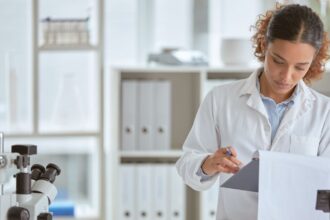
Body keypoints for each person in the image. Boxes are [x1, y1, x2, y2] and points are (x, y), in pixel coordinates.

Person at [176, 4, 330, 220]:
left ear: (313, 61)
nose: (286, 76)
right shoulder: (221, 99)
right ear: (264, 44)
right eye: (278, 61)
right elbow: (187, 163)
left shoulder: (324, 113)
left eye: (300, 67)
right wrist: (209, 163)